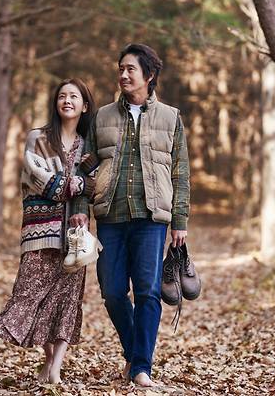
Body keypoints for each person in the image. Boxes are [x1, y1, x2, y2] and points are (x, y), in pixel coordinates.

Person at [70, 43, 190, 387]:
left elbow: (180, 174)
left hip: (152, 218)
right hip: (111, 216)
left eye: (131, 69)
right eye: (121, 68)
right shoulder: (103, 117)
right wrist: (81, 209)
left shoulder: (171, 118)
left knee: (149, 292)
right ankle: (135, 352)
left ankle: (141, 367)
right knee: (112, 292)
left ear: (148, 76)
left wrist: (179, 222)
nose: (123, 74)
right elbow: (85, 168)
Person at [0, 78, 96, 385]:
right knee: (29, 294)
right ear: (55, 103)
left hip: (75, 238)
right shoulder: (37, 138)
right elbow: (36, 176)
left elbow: (96, 181)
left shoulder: (89, 145)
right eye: (62, 95)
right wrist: (71, 184)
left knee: (67, 298)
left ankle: (57, 365)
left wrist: (82, 189)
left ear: (84, 105)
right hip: (39, 231)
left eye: (74, 96)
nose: (67, 100)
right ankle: (47, 356)